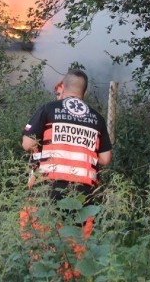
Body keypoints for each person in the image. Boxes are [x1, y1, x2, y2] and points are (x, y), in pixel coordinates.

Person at [20, 68, 113, 278]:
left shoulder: (49, 109)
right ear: (84, 93)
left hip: (49, 187)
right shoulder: (96, 118)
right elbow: (106, 159)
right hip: (83, 191)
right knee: (76, 245)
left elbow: (27, 144)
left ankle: (41, 275)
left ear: (63, 87)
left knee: (40, 237)